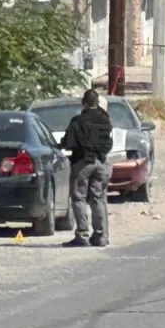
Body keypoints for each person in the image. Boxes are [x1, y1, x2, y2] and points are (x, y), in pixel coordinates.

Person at [62, 88, 114, 247]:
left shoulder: (78, 121)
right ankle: (101, 236)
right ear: (97, 103)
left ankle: (82, 235)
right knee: (98, 198)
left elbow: (69, 143)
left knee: (79, 198)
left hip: (83, 162)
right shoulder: (105, 121)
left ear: (83, 103)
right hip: (100, 162)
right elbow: (109, 143)